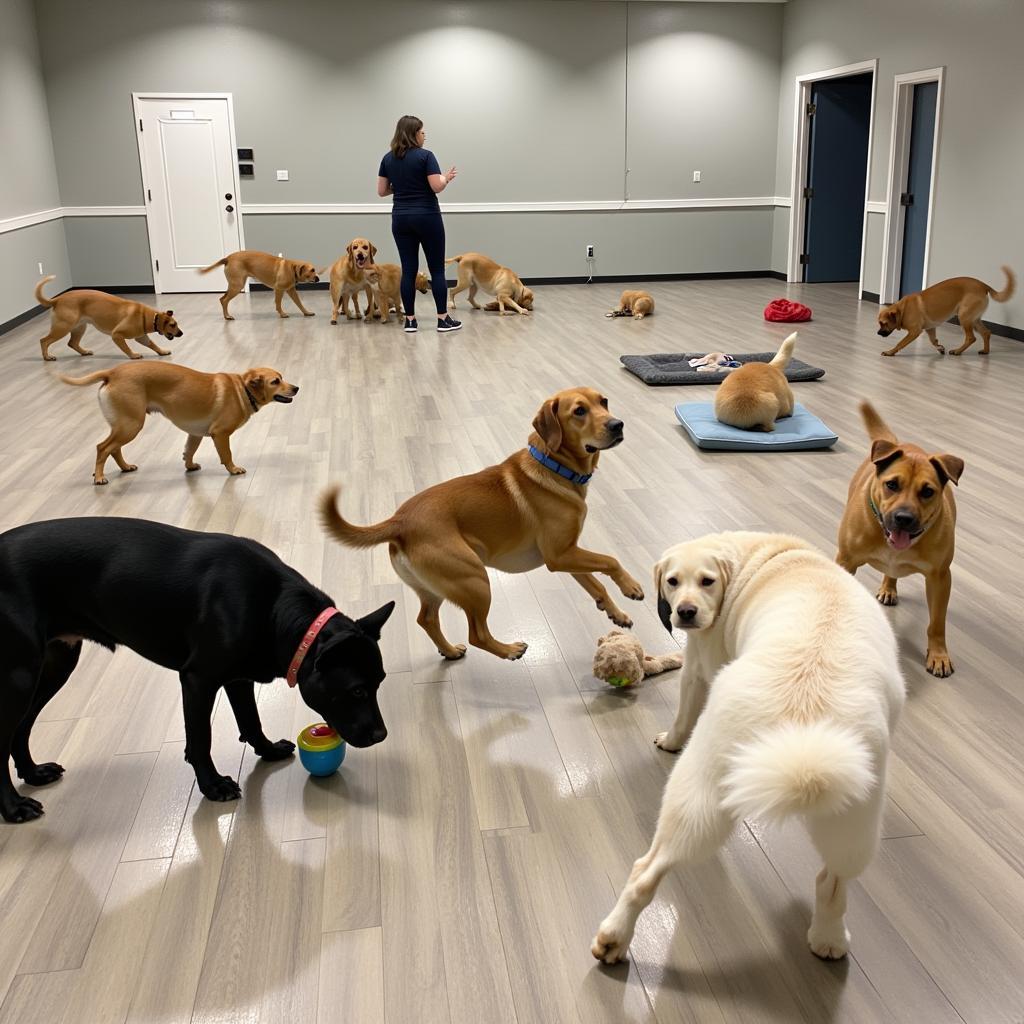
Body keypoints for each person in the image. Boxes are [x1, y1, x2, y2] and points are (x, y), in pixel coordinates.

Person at [377, 116, 461, 335]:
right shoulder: (426, 156)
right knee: (436, 270)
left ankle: (411, 321)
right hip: (427, 217)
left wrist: (402, 186)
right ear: (414, 134)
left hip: (401, 219)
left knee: (408, 270)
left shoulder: (388, 159)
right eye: (423, 132)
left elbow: (382, 191)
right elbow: (436, 187)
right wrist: (446, 178)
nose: (424, 136)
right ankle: (443, 319)